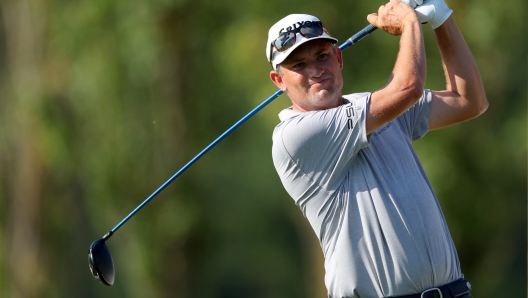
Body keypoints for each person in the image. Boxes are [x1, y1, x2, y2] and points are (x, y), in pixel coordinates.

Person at [266, 0, 488, 297]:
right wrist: (409, 23)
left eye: (322, 56)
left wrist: (442, 18)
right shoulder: (295, 137)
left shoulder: (375, 107)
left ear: (338, 58)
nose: (316, 70)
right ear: (279, 80)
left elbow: (469, 100)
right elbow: (408, 88)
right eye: (299, 65)